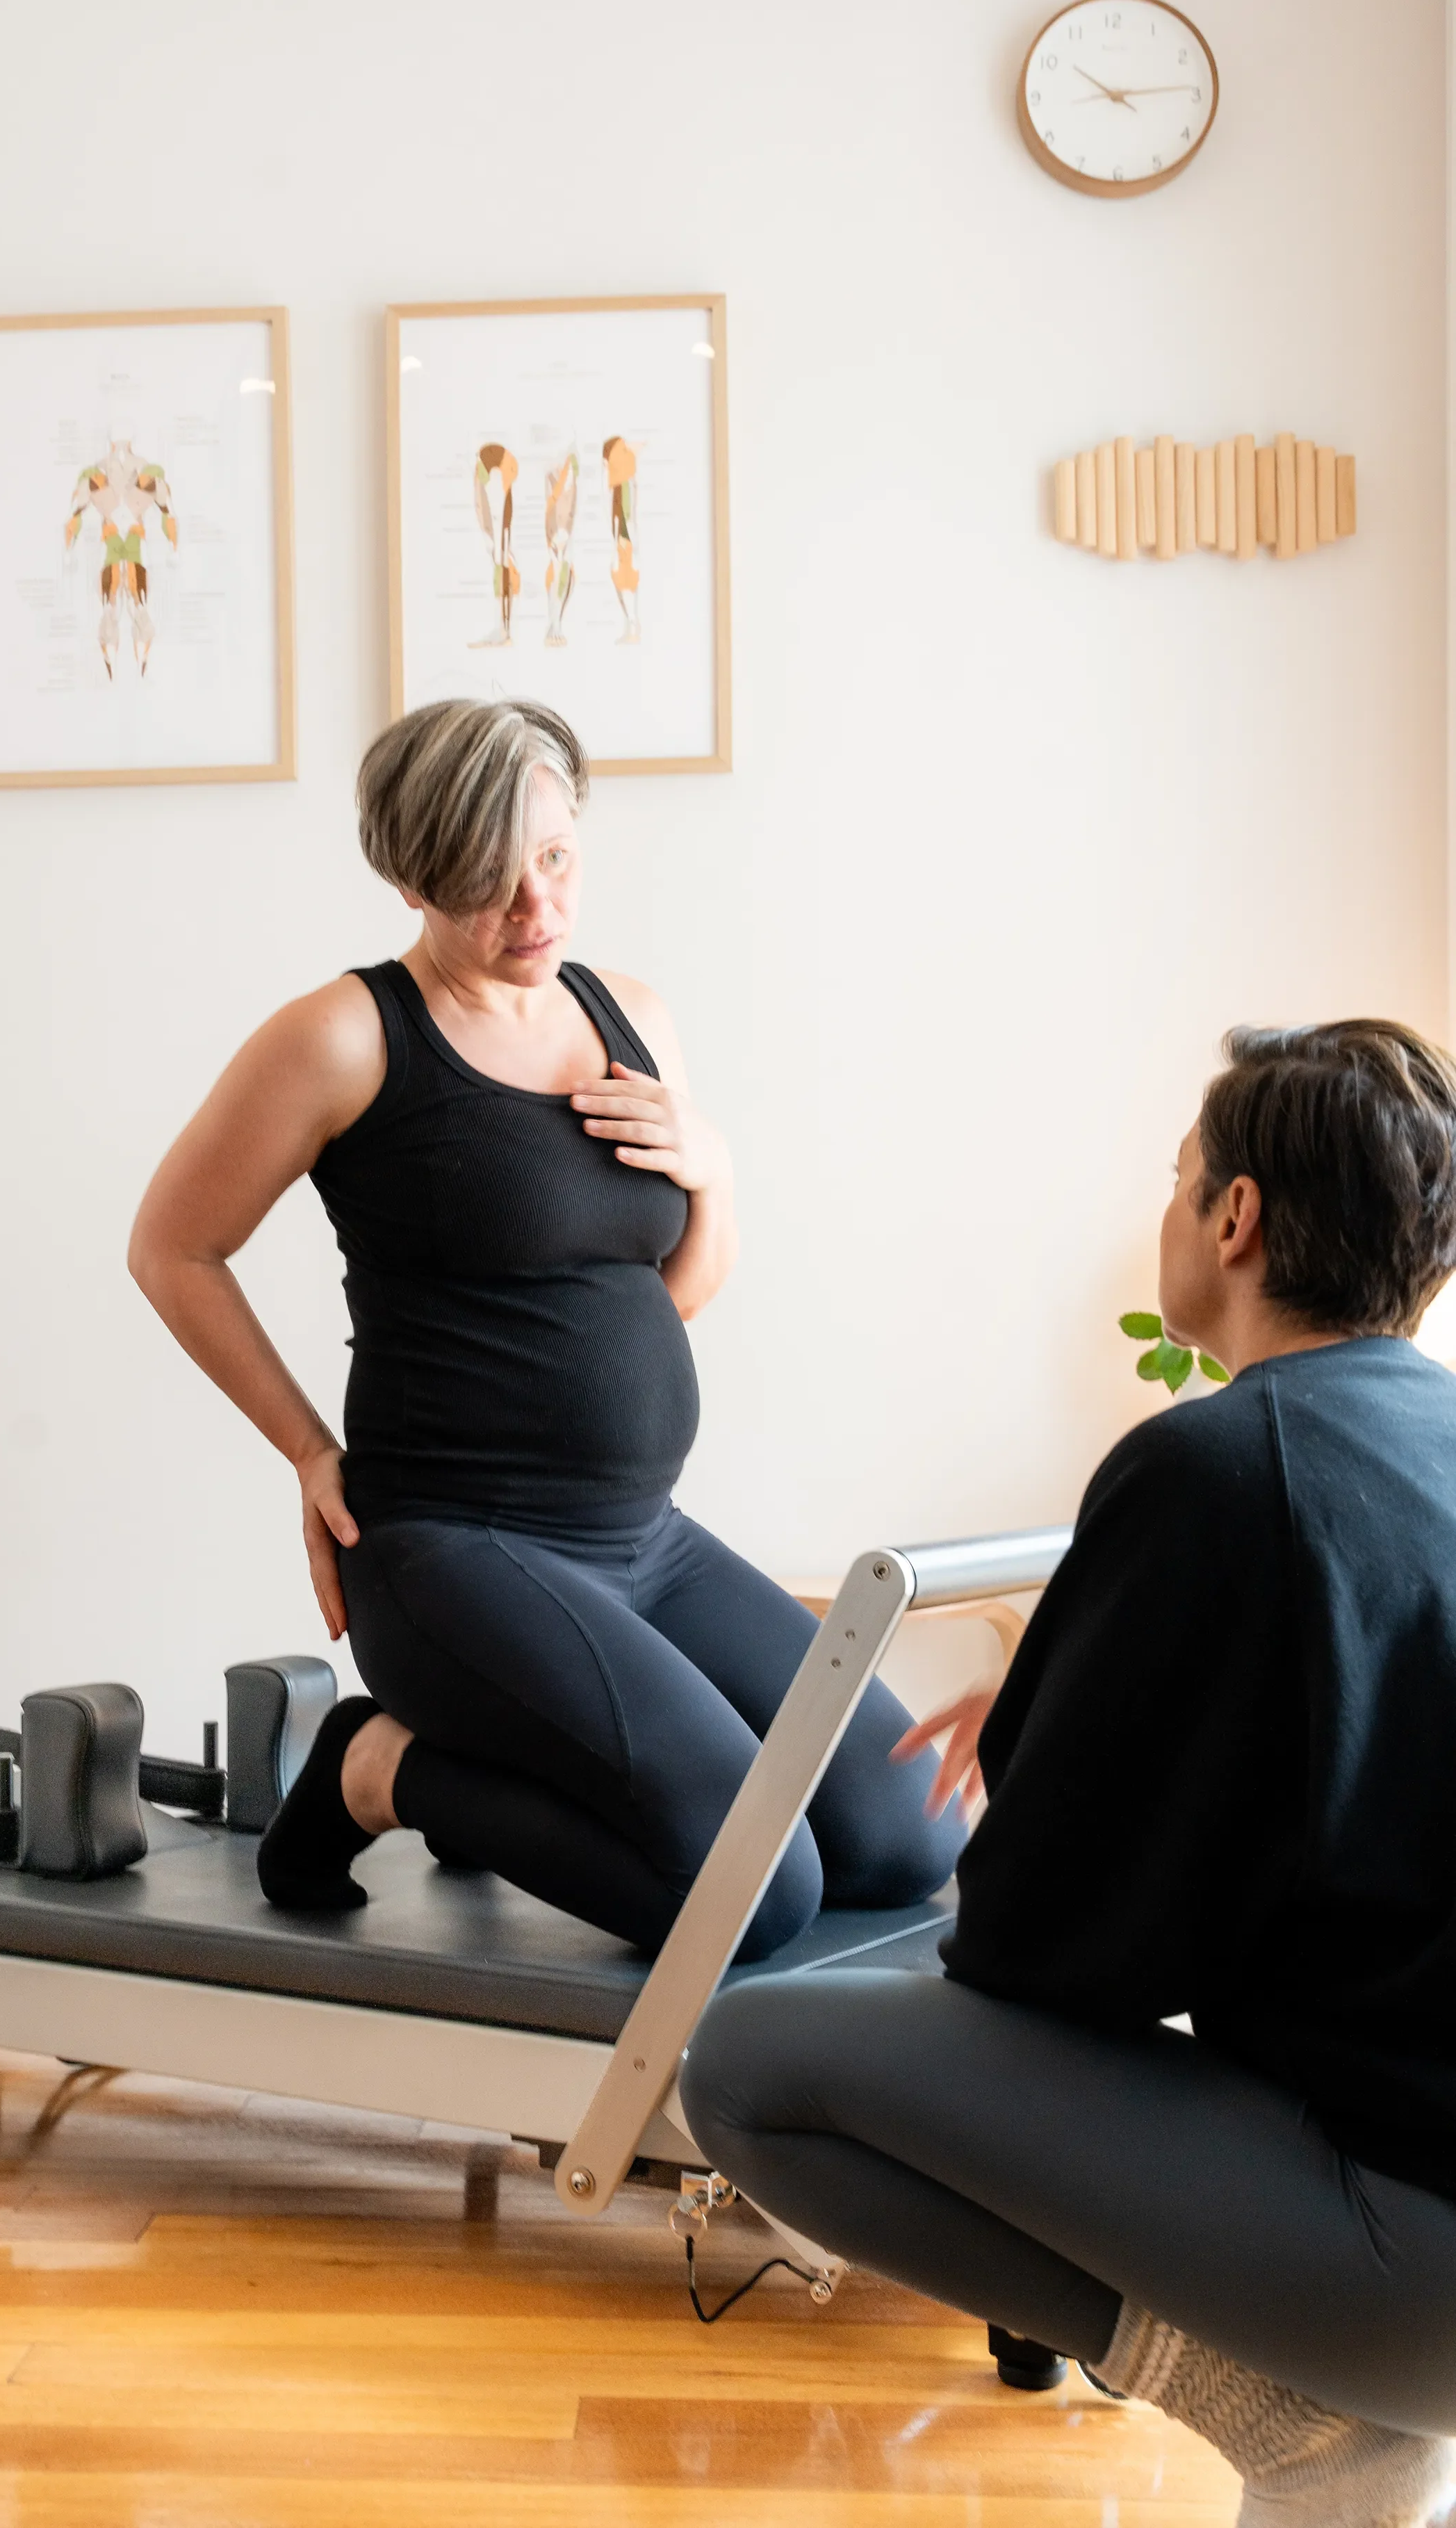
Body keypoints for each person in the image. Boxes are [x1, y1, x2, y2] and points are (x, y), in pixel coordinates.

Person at [682, 1021, 1456, 2528]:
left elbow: (1045, 1958)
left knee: (747, 2067)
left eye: (1175, 1183)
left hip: (1407, 2257)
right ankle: (1341, 2404)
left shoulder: (1215, 1463)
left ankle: (1294, 2413)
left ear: (1233, 1218)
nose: (1165, 1212)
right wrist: (1094, 1699)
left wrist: (1061, 1755)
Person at [128, 696, 956, 1957]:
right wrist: (307, 1449)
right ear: (410, 875)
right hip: (451, 1550)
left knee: (906, 1837)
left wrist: (715, 1169)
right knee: (761, 1893)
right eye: (488, 879)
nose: (537, 907)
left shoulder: (630, 1016)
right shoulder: (346, 1038)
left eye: (556, 857)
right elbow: (174, 1246)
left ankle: (486, 1763)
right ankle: (374, 1771)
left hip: (646, 1545)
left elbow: (671, 1291)